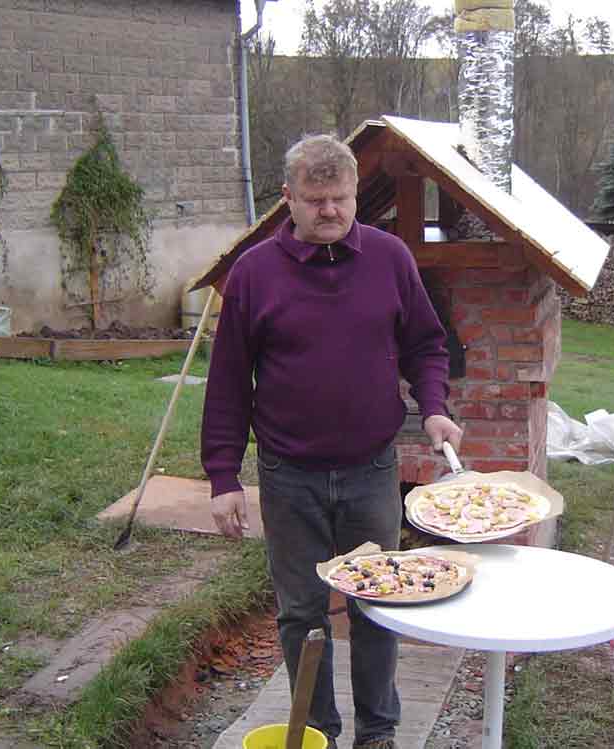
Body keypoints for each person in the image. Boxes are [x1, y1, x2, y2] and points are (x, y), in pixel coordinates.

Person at [201, 134, 463, 749]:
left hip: (371, 470)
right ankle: (317, 729)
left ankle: (378, 732)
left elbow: (427, 345)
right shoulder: (253, 273)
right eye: (315, 200)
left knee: (377, 602)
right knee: (301, 612)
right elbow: (229, 381)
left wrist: (434, 408)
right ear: (288, 198)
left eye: (340, 198)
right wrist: (222, 476)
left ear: (354, 193)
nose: (330, 211)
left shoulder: (390, 258)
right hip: (288, 476)